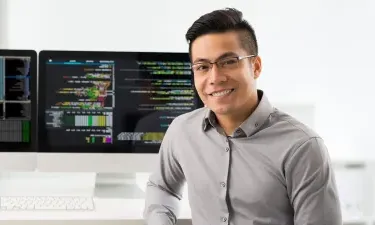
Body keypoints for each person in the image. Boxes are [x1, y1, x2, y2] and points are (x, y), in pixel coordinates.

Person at [143, 7, 342, 225]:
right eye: (202, 67)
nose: (215, 77)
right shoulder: (182, 130)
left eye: (228, 62)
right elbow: (161, 188)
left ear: (255, 67)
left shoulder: (302, 148)